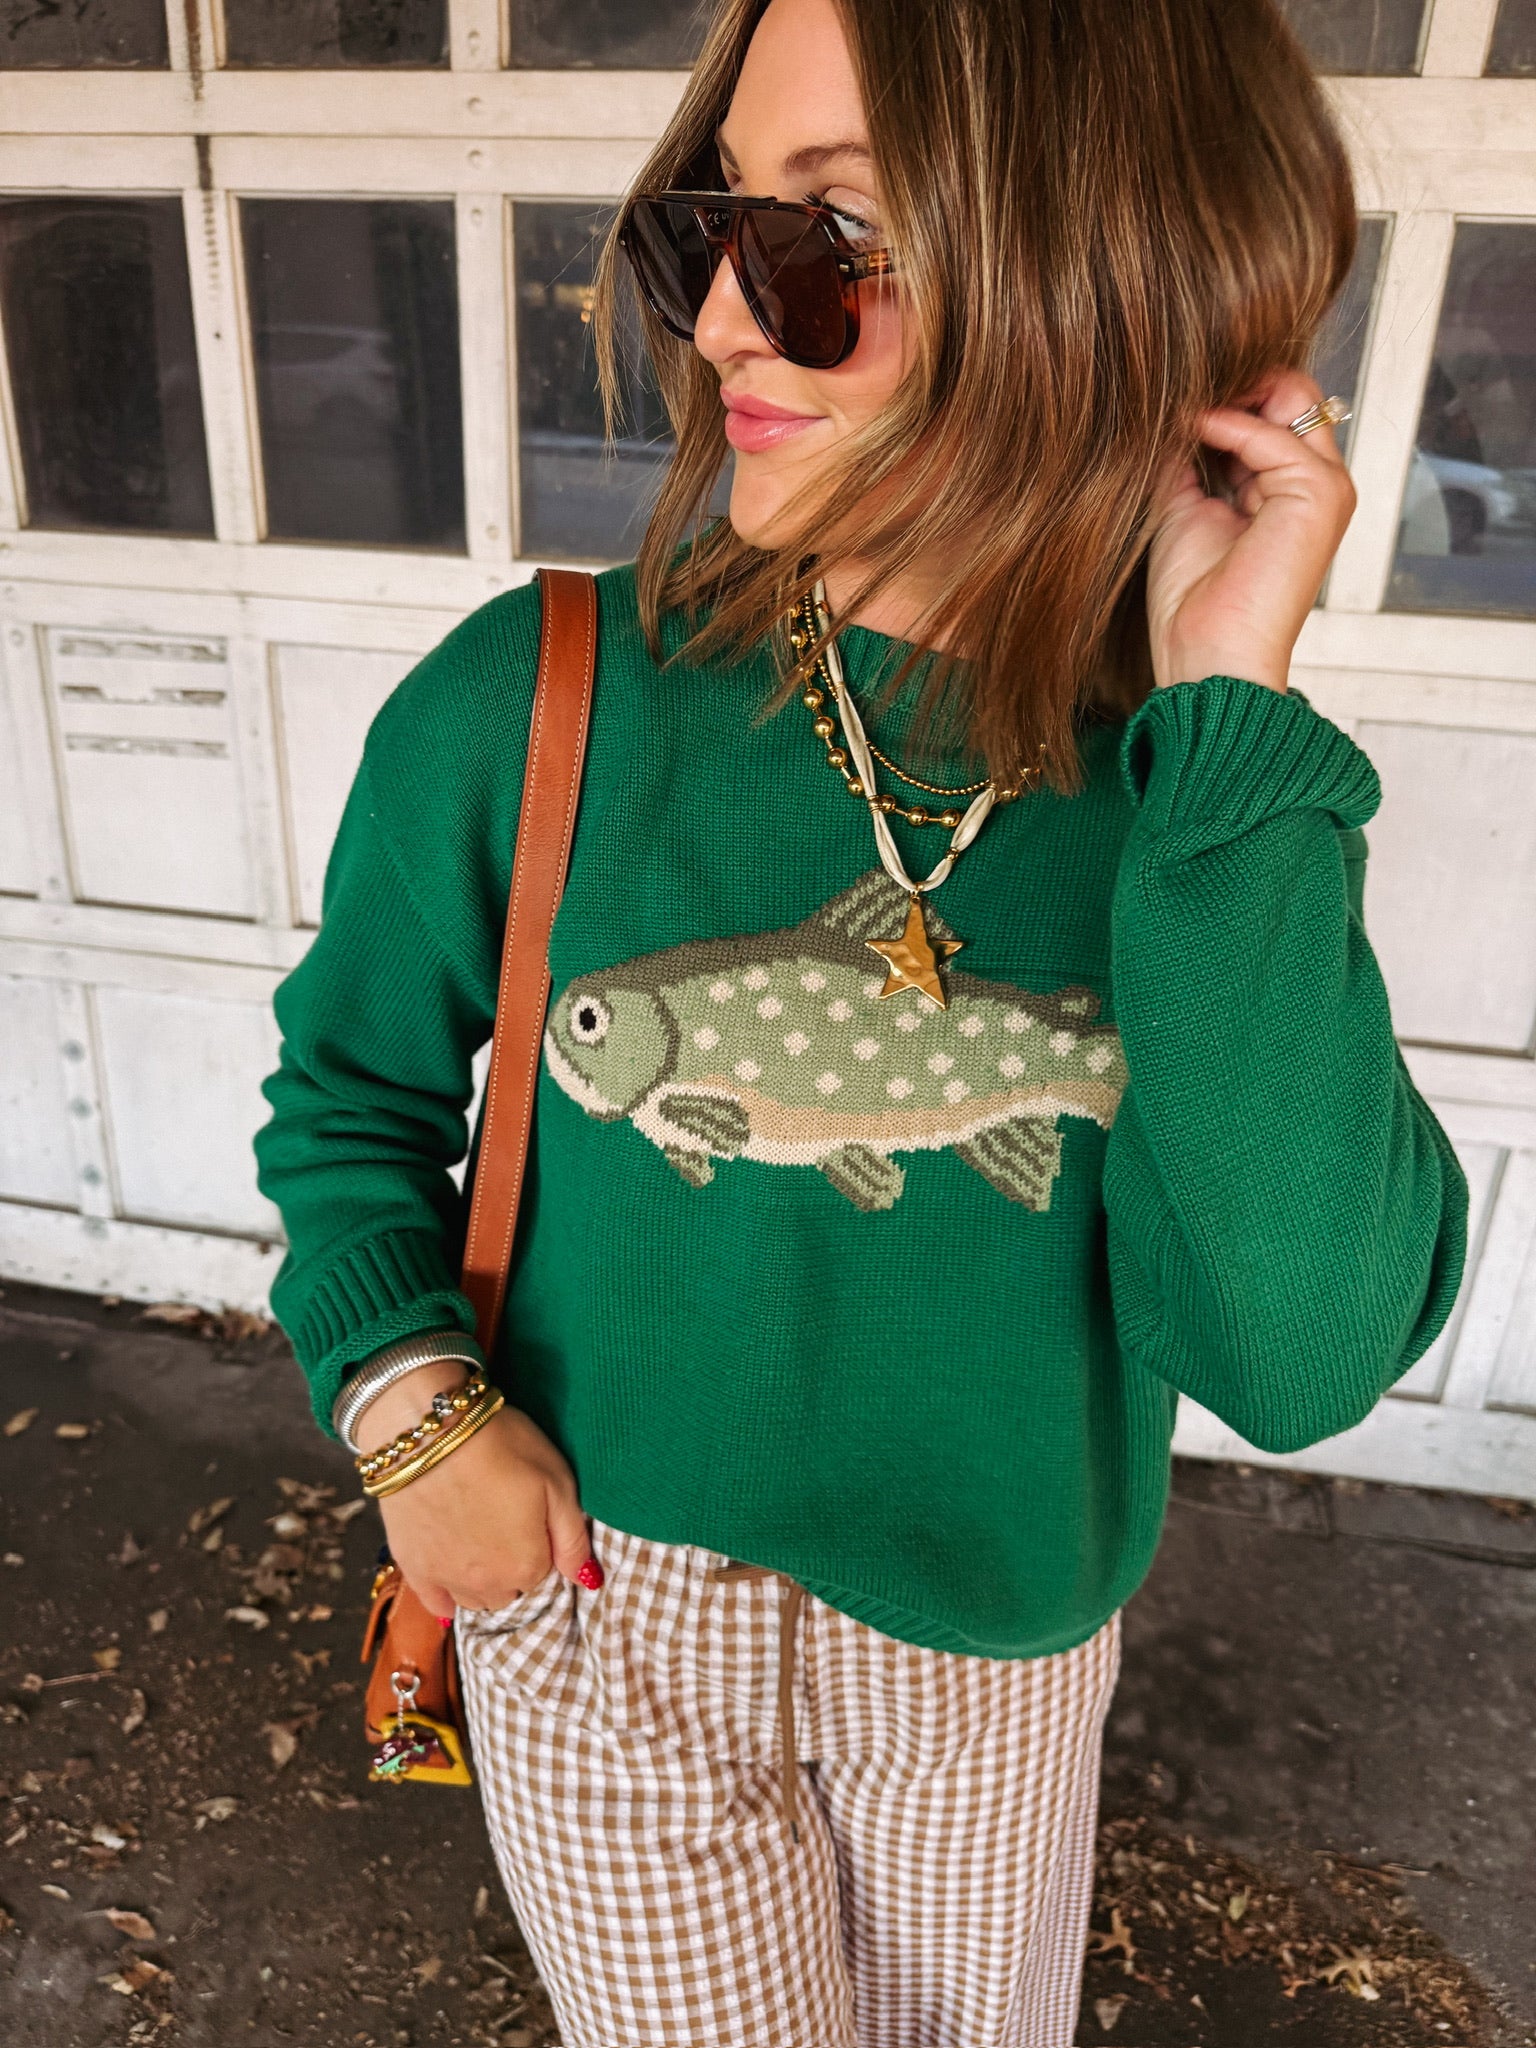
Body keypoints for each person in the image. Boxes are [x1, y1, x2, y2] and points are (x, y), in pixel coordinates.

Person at [253, 1, 1469, 2041]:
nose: (730, 317)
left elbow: (1299, 1355)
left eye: (833, 242)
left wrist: (1232, 712)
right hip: (606, 1614)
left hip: (994, 1657)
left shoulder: (1193, 806)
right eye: (709, 226)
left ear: (1106, 275)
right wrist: (410, 1414)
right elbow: (347, 1096)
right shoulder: (534, 702)